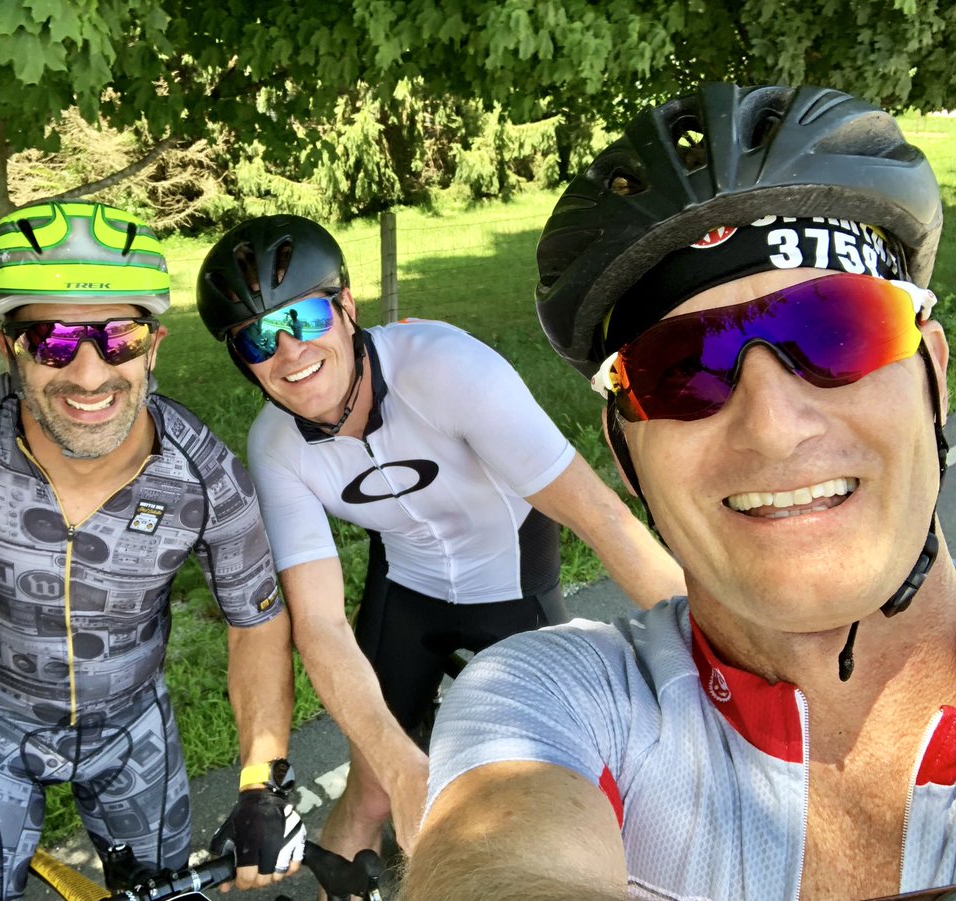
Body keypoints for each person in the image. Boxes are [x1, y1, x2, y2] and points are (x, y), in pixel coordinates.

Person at [406, 82, 956, 901]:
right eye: (680, 368)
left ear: (934, 379)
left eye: (836, 328)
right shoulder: (551, 698)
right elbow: (498, 867)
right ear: (628, 460)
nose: (773, 425)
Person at [195, 215, 686, 868]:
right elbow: (318, 623)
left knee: (547, 790)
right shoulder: (275, 445)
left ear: (346, 307)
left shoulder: (446, 367)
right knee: (370, 789)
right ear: (242, 358)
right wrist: (399, 771)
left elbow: (601, 520)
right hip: (408, 586)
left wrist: (718, 651)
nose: (289, 352)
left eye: (306, 318)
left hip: (510, 580)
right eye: (259, 338)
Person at [0, 200, 303, 901]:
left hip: (132, 723)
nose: (86, 374)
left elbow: (254, 621)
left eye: (119, 338)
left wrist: (264, 779)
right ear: (7, 348)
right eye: (49, 340)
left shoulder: (205, 476)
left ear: (154, 345)